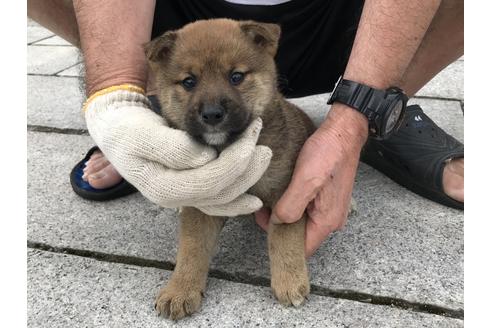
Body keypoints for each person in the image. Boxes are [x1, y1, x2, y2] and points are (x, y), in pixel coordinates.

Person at [28, 0, 464, 257]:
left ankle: (381, 107)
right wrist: (114, 101)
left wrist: (355, 117)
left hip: (355, 21)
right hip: (172, 19)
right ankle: (152, 113)